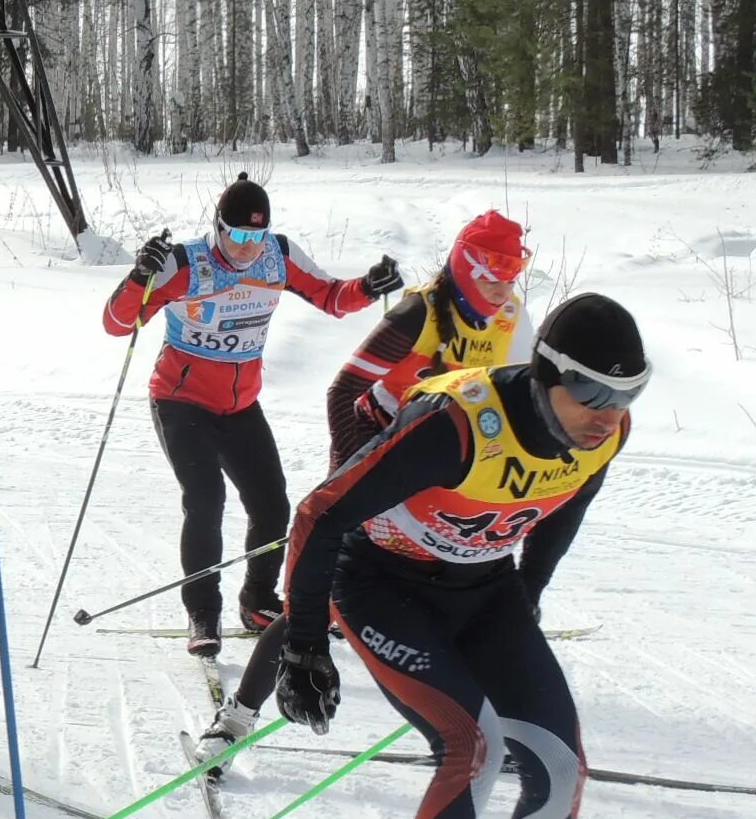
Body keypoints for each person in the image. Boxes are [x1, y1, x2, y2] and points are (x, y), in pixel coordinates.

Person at [276, 293, 648, 819]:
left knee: (559, 763)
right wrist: (305, 643)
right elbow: (318, 514)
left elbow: (560, 517)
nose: (607, 414)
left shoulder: (601, 439)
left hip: (483, 590)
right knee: (471, 748)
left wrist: (527, 606)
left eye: (627, 396)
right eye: (591, 394)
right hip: (380, 586)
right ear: (546, 373)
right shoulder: (456, 427)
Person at [201, 211, 535, 767]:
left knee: (464, 589)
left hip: (445, 473)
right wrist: (359, 472)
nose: (504, 286)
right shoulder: (420, 313)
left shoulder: (508, 319)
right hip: (381, 459)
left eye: (514, 272)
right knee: (325, 594)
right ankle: (236, 718)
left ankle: (491, 726)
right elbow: (345, 390)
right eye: (493, 272)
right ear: (465, 265)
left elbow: (515, 396)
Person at [102, 173, 401, 656]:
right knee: (206, 500)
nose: (246, 248)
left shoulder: (276, 256)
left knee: (272, 505)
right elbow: (118, 323)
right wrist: (140, 276)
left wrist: (369, 286)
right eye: (238, 236)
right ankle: (203, 612)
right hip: (181, 401)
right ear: (218, 227)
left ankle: (257, 598)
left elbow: (330, 296)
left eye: (255, 237)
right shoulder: (185, 263)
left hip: (240, 406)